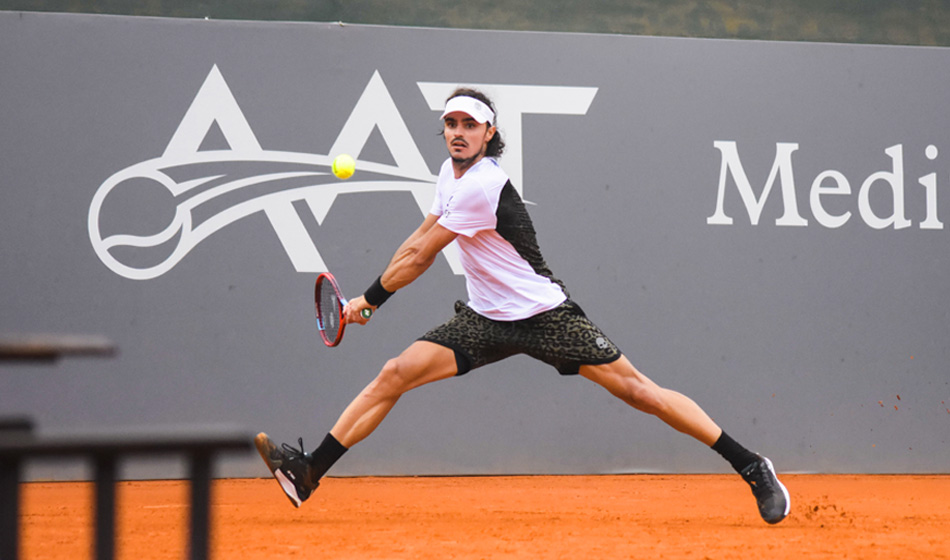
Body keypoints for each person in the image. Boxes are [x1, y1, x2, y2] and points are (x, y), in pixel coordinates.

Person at [256, 88, 790, 524]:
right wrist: (368, 304)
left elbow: (421, 256)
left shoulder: (484, 184)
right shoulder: (449, 176)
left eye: (471, 125)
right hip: (485, 319)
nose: (459, 132)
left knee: (640, 393)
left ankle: (751, 465)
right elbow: (419, 234)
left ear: (489, 134)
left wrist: (369, 302)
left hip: (544, 316)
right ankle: (310, 472)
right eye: (452, 123)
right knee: (394, 374)